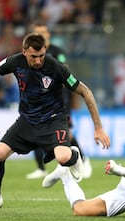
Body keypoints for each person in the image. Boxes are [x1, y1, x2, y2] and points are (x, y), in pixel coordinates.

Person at [0, 33, 111, 217]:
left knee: (64, 158)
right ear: (24, 52)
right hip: (27, 121)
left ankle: (74, 154)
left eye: (41, 56)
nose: (38, 61)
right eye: (34, 57)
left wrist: (98, 127)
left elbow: (85, 91)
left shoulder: (56, 67)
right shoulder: (14, 62)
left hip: (53, 119)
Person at [26, 23, 92, 180]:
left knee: (66, 133)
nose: (41, 35)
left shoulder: (58, 52)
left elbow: (65, 74)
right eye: (38, 32)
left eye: (43, 32)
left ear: (48, 35)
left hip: (59, 99)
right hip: (38, 100)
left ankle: (83, 159)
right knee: (35, 130)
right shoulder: (30, 53)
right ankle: (41, 168)